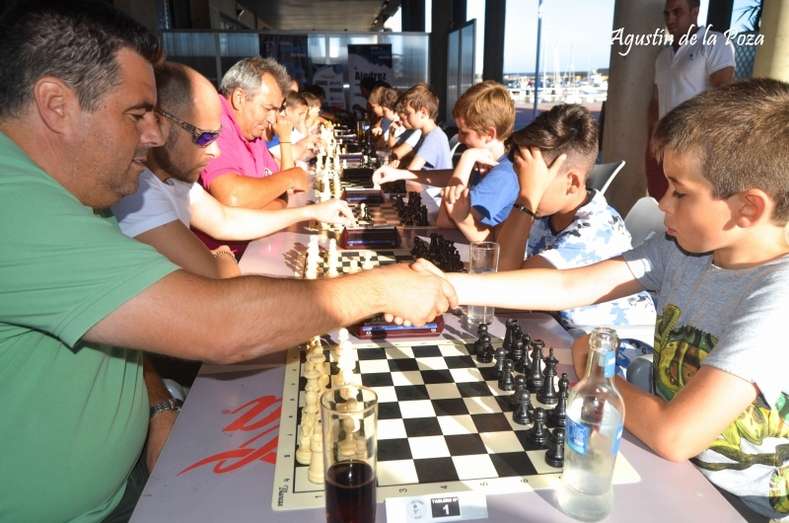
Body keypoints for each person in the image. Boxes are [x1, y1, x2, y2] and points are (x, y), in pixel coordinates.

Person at [0, 3, 456, 521]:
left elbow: (114, 323)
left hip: (128, 479)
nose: (153, 135)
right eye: (136, 115)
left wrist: (157, 404)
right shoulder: (16, 209)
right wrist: (380, 288)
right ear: (55, 105)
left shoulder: (68, 190)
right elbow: (223, 324)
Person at [429, 79, 789, 521]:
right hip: (669, 471)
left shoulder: (779, 297)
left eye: (679, 191)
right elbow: (567, 287)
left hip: (742, 508)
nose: (661, 202)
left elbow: (675, 434)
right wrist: (445, 286)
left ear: (749, 208)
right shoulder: (680, 252)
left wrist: (596, 378)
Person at [112, 62, 353, 279]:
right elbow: (221, 276)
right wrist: (223, 255)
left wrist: (310, 212)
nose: (216, 151)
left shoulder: (177, 182)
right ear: (157, 126)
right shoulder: (138, 195)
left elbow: (225, 220)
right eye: (204, 137)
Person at [495, 104, 655, 331]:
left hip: (611, 350)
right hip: (558, 335)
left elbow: (504, 295)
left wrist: (527, 199)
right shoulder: (548, 212)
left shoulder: (593, 235)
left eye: (534, 180)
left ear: (572, 182)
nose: (523, 187)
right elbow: (495, 250)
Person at [196, 56, 313, 257]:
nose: (272, 119)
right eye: (268, 108)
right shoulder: (215, 122)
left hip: (253, 248)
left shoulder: (251, 132)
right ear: (239, 98)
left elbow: (282, 192)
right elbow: (232, 197)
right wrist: (290, 177)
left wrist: (275, 194)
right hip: (222, 261)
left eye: (276, 110)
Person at [645, 0, 735, 199]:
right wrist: (651, 138)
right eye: (667, 13)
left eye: (677, 12)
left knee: (690, 205)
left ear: (695, 12)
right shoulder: (662, 56)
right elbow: (657, 101)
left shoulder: (714, 43)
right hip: (664, 146)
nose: (670, 19)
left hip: (696, 147)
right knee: (661, 202)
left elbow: (724, 95)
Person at [371, 82, 452, 192]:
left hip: (432, 196)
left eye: (408, 113)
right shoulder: (425, 134)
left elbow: (412, 170)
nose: (405, 117)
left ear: (423, 113)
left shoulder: (434, 137)